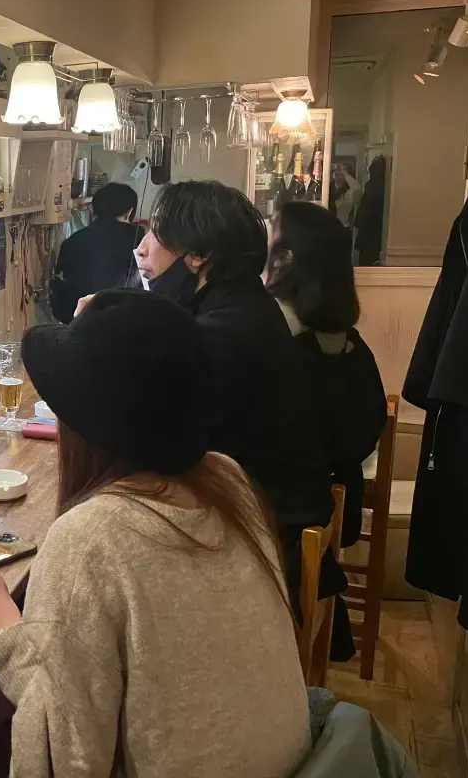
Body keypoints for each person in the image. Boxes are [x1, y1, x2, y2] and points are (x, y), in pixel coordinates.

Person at [0, 290, 310, 777]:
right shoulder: (230, 480)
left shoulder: (90, 537)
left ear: (82, 426)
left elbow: (64, 757)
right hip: (298, 764)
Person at [128, 180, 348, 656]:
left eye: (156, 236)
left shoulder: (223, 331)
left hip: (264, 542)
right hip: (275, 518)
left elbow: (160, 441)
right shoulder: (247, 308)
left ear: (198, 255)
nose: (140, 249)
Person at [265, 201, 387, 547]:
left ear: (286, 256)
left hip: (282, 518)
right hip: (337, 507)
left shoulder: (267, 327)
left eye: (272, 225)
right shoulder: (350, 344)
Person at [50, 182, 140, 323]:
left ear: (92, 210)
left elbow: (62, 287)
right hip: (126, 324)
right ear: (129, 212)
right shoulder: (140, 240)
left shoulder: (72, 241)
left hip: (78, 324)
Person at [354, 156, 388, 266]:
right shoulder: (379, 186)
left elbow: (366, 210)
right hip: (373, 232)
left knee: (366, 261)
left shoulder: (373, 186)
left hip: (370, 232)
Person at [328, 162, 361, 230]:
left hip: (340, 231)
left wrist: (345, 172)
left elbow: (357, 189)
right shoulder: (329, 191)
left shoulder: (348, 195)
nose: (337, 175)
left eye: (341, 172)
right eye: (336, 172)